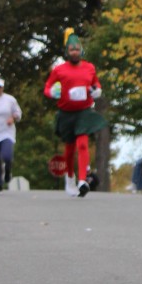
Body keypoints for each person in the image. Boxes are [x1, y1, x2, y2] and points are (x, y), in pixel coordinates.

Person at [43, 30, 106, 197]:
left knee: (83, 144)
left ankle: (83, 180)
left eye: (77, 49)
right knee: (69, 150)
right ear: (67, 52)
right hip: (66, 113)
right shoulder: (59, 70)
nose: (75, 52)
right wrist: (52, 92)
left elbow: (96, 84)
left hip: (83, 112)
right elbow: (47, 87)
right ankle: (70, 178)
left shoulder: (89, 67)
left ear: (81, 50)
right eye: (72, 50)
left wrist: (96, 91)